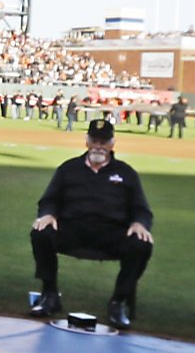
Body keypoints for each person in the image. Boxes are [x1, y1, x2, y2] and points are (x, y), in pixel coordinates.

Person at [30, 117, 154, 327]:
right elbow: (49, 199)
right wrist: (48, 214)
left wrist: (139, 223)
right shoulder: (68, 169)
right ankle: (49, 294)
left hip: (111, 233)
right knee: (41, 232)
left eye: (104, 142)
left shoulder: (126, 173)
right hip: (72, 229)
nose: (99, 146)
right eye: (95, 140)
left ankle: (118, 301)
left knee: (141, 244)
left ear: (112, 144)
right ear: (86, 141)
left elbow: (141, 209)